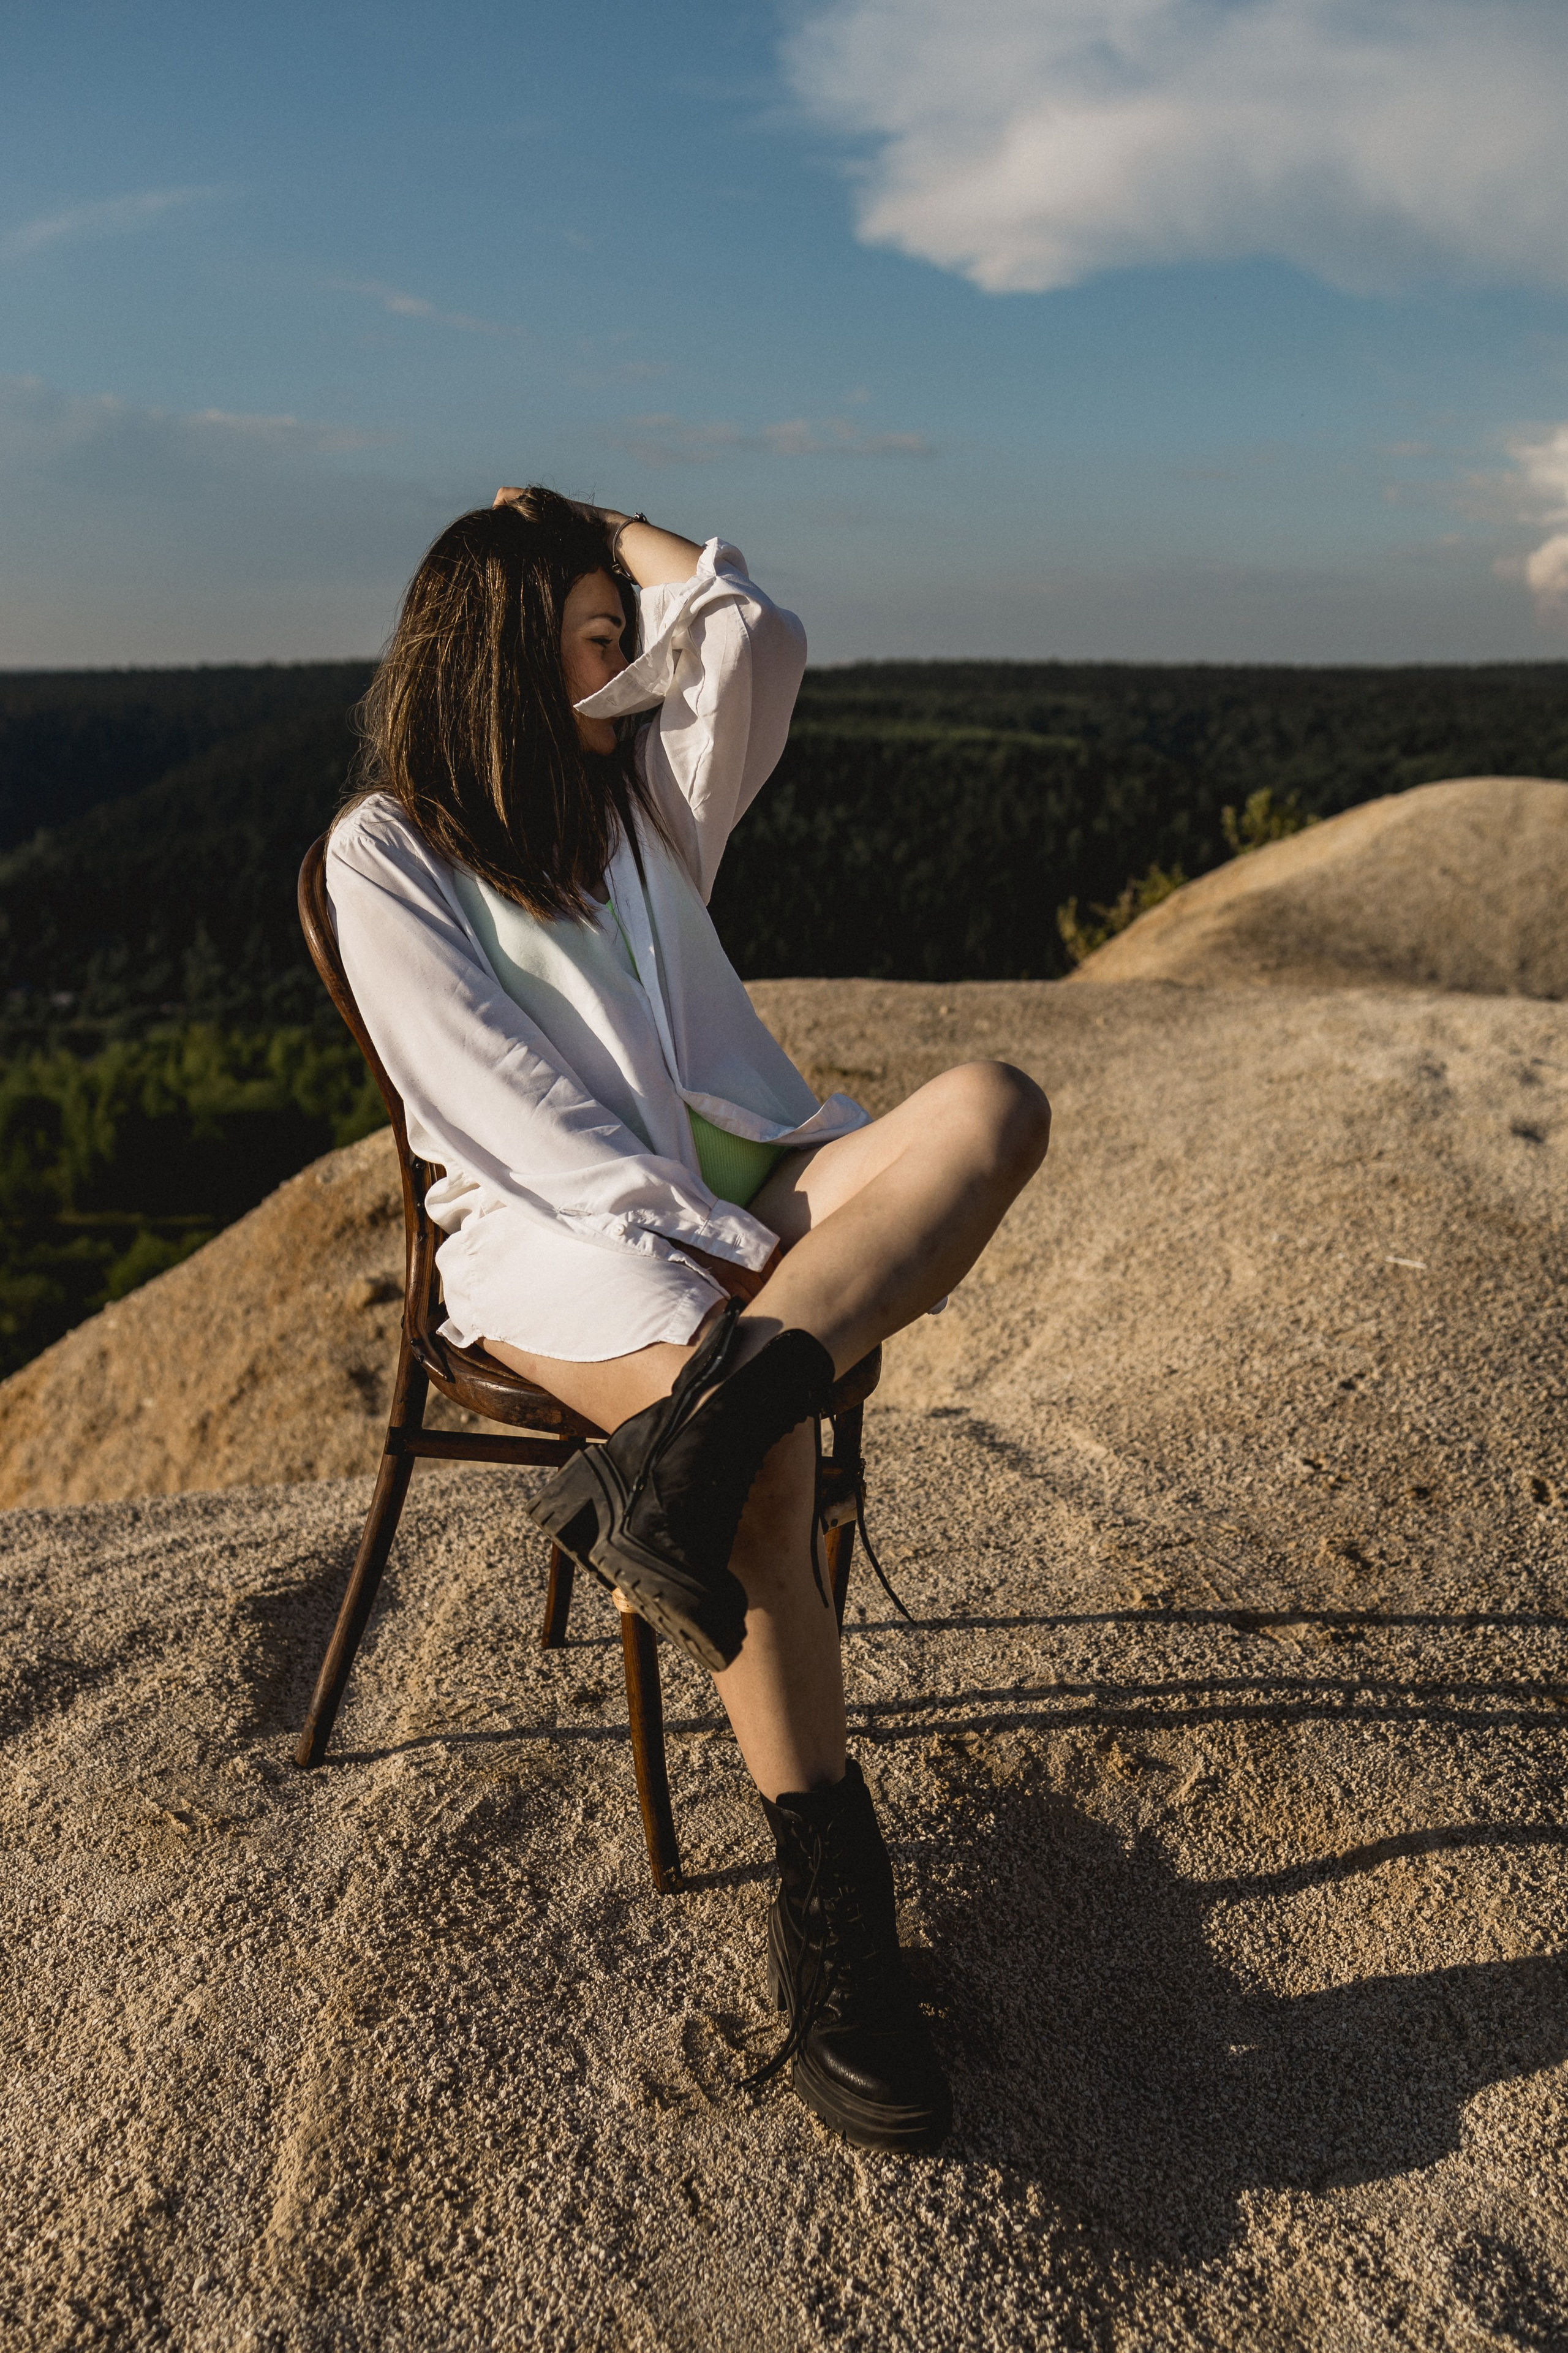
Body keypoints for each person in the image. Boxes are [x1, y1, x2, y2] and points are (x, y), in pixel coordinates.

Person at [326, 488, 1052, 2153]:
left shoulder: (640, 810)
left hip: (744, 1194)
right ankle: (834, 1900)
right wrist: (723, 1256)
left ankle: (690, 1446)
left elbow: (757, 635)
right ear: (511, 655)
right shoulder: (387, 851)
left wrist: (612, 523)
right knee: (776, 1465)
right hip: (559, 1236)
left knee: (995, 1107)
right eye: (596, 639)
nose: (628, 668)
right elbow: (505, 1112)